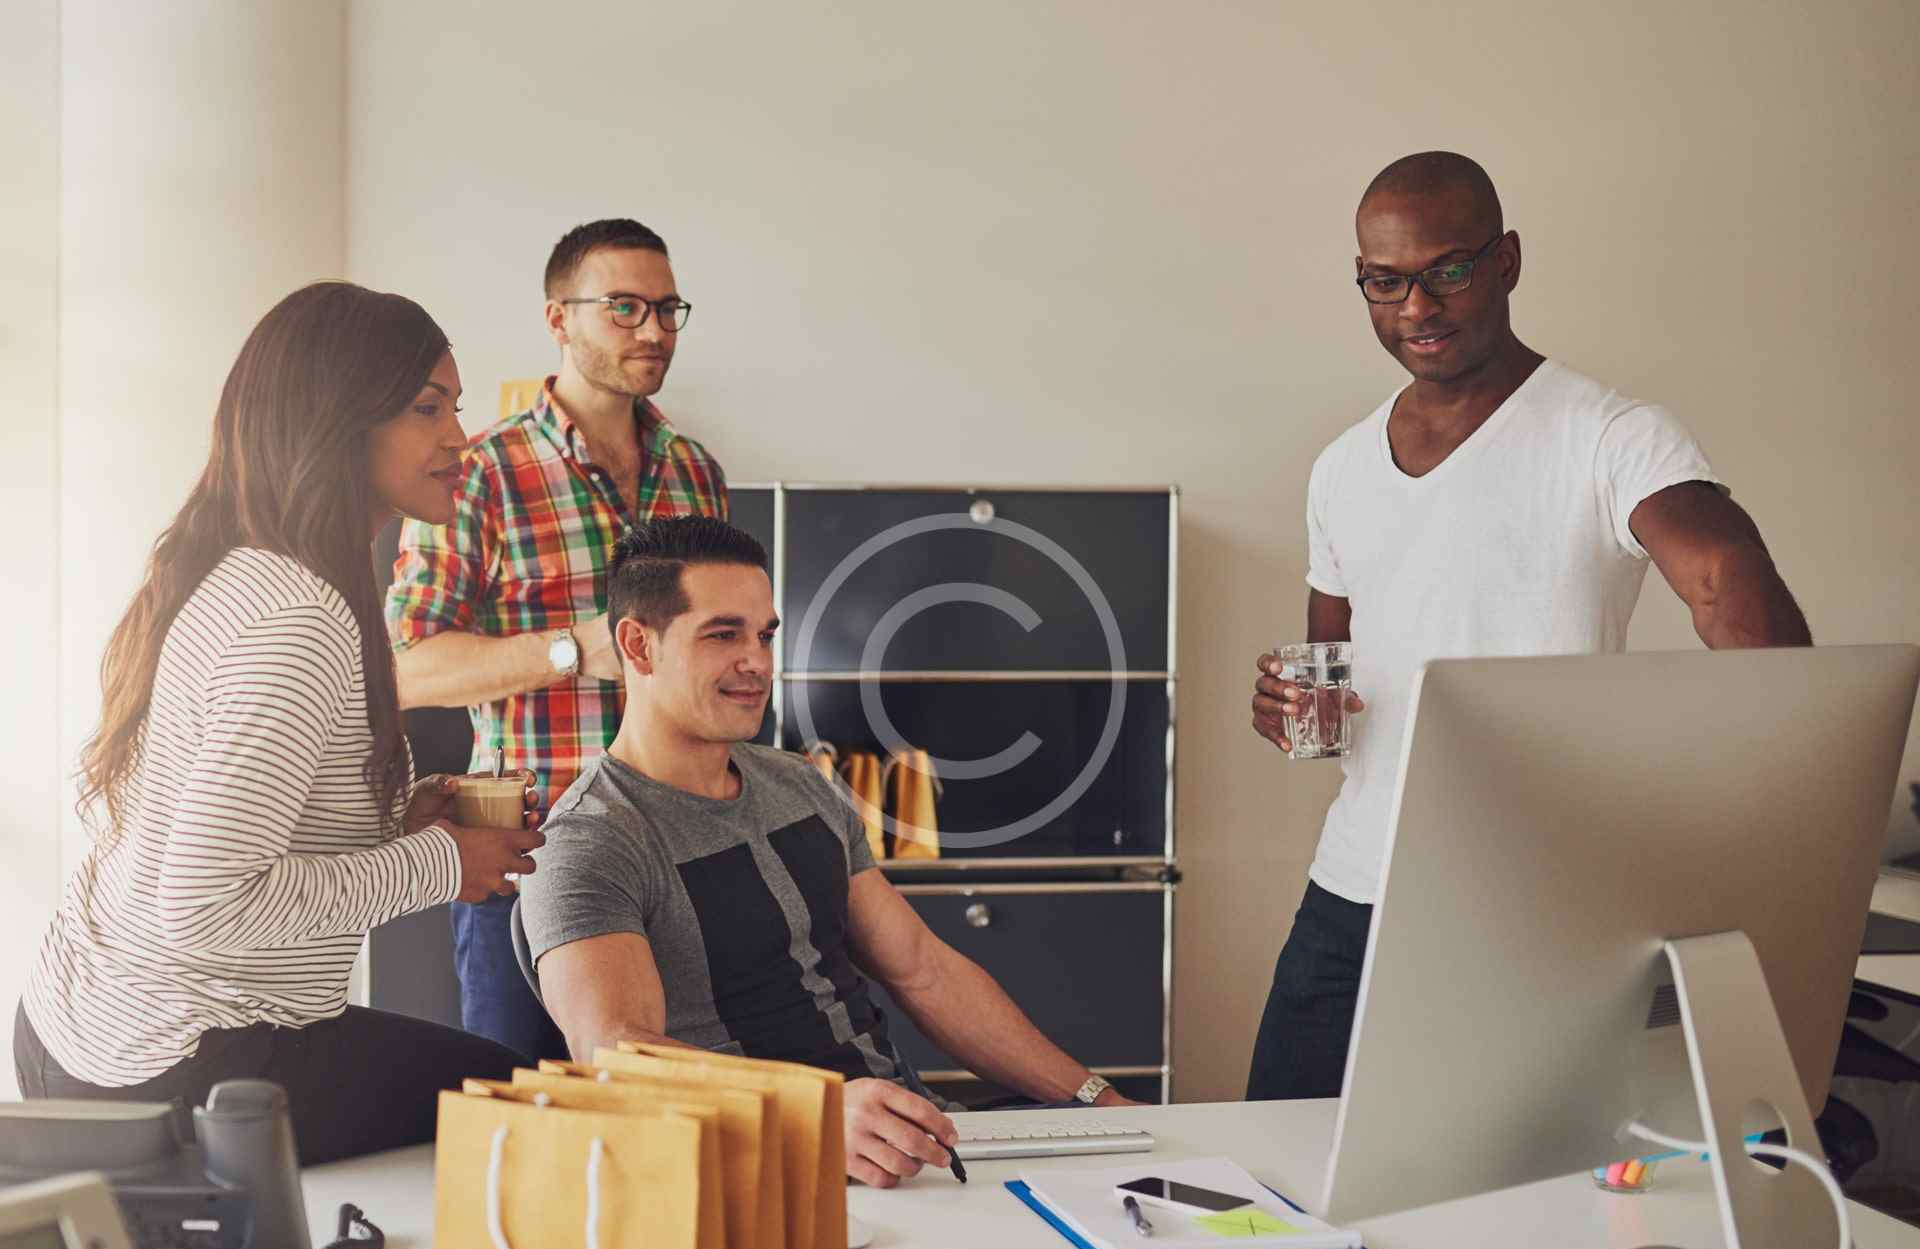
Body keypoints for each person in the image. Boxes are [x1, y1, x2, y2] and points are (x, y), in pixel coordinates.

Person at [1246, 151, 1811, 1102]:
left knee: (1511, 1177)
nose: (1417, 306)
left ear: (1506, 260)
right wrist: (1293, 711)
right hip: (1354, 892)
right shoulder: (1340, 467)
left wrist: (1776, 784)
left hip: (1532, 905)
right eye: (1385, 281)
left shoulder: (1611, 434)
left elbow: (1725, 586)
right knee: (1277, 1155)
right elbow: (1335, 687)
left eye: (1447, 271)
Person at [16, 283, 546, 1164]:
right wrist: (443, 862)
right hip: (169, 1060)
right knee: (522, 1108)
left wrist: (399, 818)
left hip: (81, 1028)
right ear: (339, 420)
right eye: (428, 408)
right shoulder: (297, 619)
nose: (460, 436)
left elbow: (236, 825)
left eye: (454, 406)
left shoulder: (254, 568)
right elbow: (205, 905)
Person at [516, 517, 1139, 1189]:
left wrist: (1095, 1098)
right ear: (638, 646)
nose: (757, 662)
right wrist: (813, 1110)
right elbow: (614, 1055)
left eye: (765, 635)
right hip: (757, 1170)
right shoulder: (588, 839)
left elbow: (924, 970)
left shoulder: (799, 785)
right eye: (723, 635)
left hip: (903, 1145)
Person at [386, 219, 727, 1062]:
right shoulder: (478, 472)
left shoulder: (697, 472)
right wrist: (575, 647)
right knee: (523, 1105)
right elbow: (406, 669)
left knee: (672, 1101)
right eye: (625, 307)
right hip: (530, 857)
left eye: (668, 309)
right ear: (558, 319)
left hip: (683, 854)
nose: (654, 329)